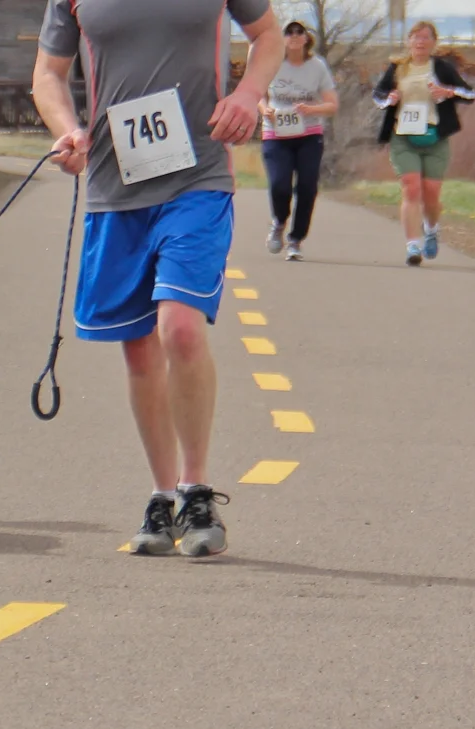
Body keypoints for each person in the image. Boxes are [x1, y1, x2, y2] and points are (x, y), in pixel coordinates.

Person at [32, 0, 284, 557]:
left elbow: (269, 35)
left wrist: (246, 95)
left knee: (181, 328)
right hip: (112, 182)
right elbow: (48, 74)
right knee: (140, 350)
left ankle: (196, 493)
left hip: (199, 174)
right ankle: (161, 496)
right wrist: (67, 130)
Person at [373, 21, 475, 267]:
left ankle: (431, 228)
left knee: (431, 193)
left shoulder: (441, 68)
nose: (420, 42)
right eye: (415, 37)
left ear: (433, 43)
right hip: (403, 135)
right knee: (411, 188)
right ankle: (412, 245)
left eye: (425, 37)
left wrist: (448, 92)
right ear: (408, 42)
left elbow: (470, 94)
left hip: (435, 136)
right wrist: (390, 98)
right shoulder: (397, 68)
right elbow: (377, 95)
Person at [260, 20, 338, 262]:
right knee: (279, 184)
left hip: (309, 134)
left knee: (307, 187)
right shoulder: (272, 62)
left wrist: (312, 108)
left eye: (299, 32)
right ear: (282, 38)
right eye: (289, 32)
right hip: (276, 135)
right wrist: (264, 110)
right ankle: (279, 221)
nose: (294, 36)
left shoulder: (317, 66)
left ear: (306, 39)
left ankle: (296, 239)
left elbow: (332, 105)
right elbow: (258, 93)